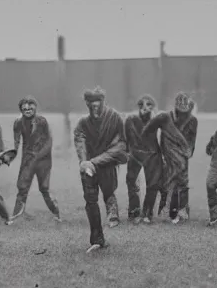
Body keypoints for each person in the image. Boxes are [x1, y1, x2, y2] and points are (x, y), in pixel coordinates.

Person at [73, 86, 127, 252]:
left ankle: (112, 208)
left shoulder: (115, 118)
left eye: (98, 104)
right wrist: (84, 162)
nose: (95, 108)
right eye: (91, 105)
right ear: (87, 105)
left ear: (103, 102)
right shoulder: (83, 123)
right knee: (90, 200)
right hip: (88, 169)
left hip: (106, 165)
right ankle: (97, 239)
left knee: (109, 191)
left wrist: (94, 162)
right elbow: (80, 141)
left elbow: (121, 145)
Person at [142, 92, 198, 224]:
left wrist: (187, 153)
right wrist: (153, 149)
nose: (183, 114)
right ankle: (166, 209)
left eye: (186, 111)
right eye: (181, 111)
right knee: (167, 182)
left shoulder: (193, 121)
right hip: (166, 155)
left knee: (183, 181)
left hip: (182, 157)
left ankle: (182, 209)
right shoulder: (164, 117)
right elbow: (147, 131)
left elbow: (192, 141)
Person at [11, 95, 61, 222]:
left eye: (30, 107)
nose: (27, 110)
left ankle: (56, 213)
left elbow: (49, 141)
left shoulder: (42, 121)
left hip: (43, 160)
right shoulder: (18, 123)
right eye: (24, 108)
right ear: (21, 110)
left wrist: (38, 156)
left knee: (44, 188)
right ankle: (16, 216)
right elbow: (16, 141)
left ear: (35, 108)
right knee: (22, 187)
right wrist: (11, 153)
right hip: (27, 159)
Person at [125, 94, 163, 224]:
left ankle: (147, 213)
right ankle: (134, 212)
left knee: (153, 184)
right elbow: (128, 138)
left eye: (149, 104)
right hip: (135, 154)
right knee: (131, 181)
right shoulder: (131, 119)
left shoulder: (157, 119)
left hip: (152, 153)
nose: (145, 108)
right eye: (141, 104)